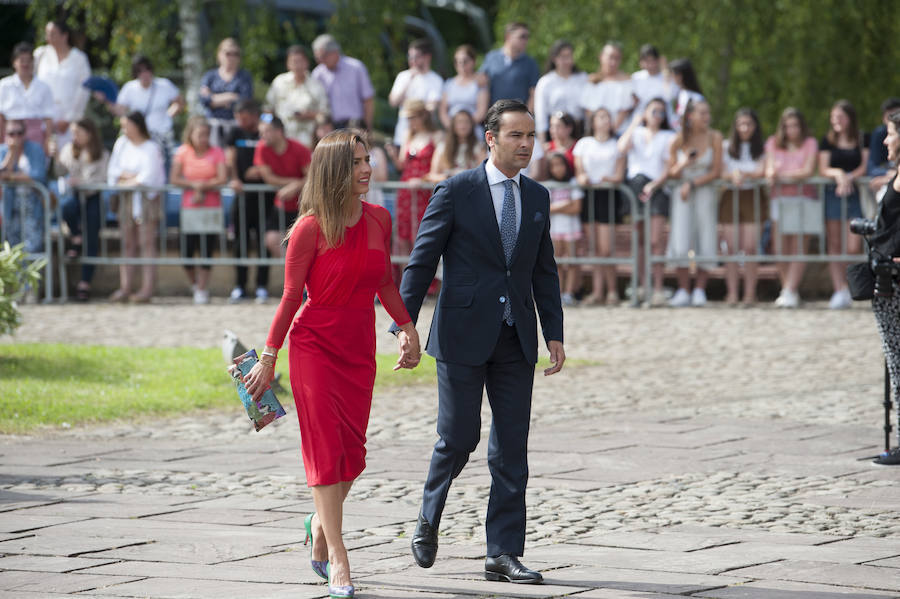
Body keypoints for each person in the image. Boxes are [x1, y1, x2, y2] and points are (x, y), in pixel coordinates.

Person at [239, 129, 420, 597]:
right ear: (334, 170)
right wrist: (268, 357)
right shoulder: (308, 228)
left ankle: (319, 522)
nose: (366, 169)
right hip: (314, 346)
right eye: (357, 162)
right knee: (325, 451)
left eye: (367, 161)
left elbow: (385, 285)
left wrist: (406, 329)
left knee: (352, 454)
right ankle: (337, 555)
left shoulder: (379, 218)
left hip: (359, 347)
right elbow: (288, 298)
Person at [395, 99, 565, 584]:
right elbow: (422, 261)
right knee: (459, 437)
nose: (527, 145)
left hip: (516, 338)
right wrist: (404, 326)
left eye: (531, 136)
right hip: (461, 336)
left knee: (512, 448)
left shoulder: (537, 196)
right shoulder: (456, 190)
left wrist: (553, 332)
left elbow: (542, 270)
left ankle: (502, 552)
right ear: (490, 138)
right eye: (516, 135)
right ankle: (429, 519)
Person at [865, 110, 900, 465]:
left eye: (891, 134)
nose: (885, 140)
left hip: (896, 282)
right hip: (889, 277)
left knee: (899, 361)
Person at [617, 97, 676, 306]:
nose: (657, 116)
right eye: (654, 111)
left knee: (656, 241)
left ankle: (658, 288)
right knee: (639, 240)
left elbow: (669, 166)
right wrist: (635, 122)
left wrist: (655, 185)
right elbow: (621, 147)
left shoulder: (669, 136)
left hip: (657, 187)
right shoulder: (637, 133)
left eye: (661, 112)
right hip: (635, 185)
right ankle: (642, 286)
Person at [666, 99, 722, 307]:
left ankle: (700, 289)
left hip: (704, 191)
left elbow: (716, 171)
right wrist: (684, 163)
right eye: (702, 113)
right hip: (682, 193)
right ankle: (683, 288)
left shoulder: (715, 138)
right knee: (680, 239)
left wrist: (693, 182)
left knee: (706, 236)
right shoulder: (678, 140)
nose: (706, 118)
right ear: (690, 116)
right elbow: (670, 173)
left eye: (708, 113)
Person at [106, 111, 165, 303]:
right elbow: (113, 171)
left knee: (146, 243)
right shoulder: (121, 144)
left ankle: (147, 287)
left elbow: (148, 176)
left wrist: (127, 177)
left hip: (146, 201)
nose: (123, 129)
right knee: (128, 244)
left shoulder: (150, 148)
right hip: (127, 200)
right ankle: (126, 286)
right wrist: (130, 177)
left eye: (126, 125)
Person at [766, 107, 820, 308]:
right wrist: (777, 173)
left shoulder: (810, 143)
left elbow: (807, 171)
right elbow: (769, 168)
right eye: (787, 126)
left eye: (795, 125)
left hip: (803, 198)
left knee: (798, 246)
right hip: (779, 200)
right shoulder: (773, 143)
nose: (791, 130)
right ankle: (788, 288)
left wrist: (781, 175)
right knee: (781, 247)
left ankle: (789, 289)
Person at [170, 116, 227, 304]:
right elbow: (175, 178)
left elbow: (222, 177)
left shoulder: (217, 152)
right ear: (191, 134)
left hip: (210, 208)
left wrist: (202, 186)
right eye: (200, 134)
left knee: (206, 249)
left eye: (206, 135)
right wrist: (194, 185)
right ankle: (195, 283)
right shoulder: (183, 151)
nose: (204, 138)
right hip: (189, 208)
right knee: (186, 251)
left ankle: (202, 288)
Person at [574, 108, 627, 304]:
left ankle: (612, 290)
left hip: (608, 195)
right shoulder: (584, 143)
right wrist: (583, 177)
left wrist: (610, 178)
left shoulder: (616, 145)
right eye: (601, 117)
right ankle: (597, 291)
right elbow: (579, 170)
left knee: (606, 248)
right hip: (589, 194)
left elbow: (619, 175)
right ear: (593, 121)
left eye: (608, 117)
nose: (605, 121)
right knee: (594, 247)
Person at [819, 99, 868, 309]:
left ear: (850, 118)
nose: (836, 121)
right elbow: (823, 168)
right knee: (834, 243)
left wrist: (849, 177)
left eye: (840, 116)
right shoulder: (827, 140)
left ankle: (850, 285)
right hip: (833, 193)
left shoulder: (861, 138)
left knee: (853, 244)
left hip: (854, 193)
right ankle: (838, 289)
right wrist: (839, 174)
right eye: (833, 117)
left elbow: (864, 166)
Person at [103, 55, 184, 176]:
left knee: (163, 172)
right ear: (136, 73)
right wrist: (106, 100)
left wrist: (168, 115)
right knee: (140, 171)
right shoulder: (130, 88)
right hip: (140, 138)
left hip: (161, 137)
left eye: (147, 70)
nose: (144, 74)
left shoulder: (164, 85)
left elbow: (179, 102)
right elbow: (120, 111)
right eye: (140, 71)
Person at [253, 115, 312, 279]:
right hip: (282, 205)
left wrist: (295, 186)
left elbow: (311, 177)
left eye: (265, 132)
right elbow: (268, 178)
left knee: (304, 245)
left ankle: (304, 279)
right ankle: (299, 278)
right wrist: (294, 183)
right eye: (261, 132)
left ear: (279, 132)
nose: (262, 136)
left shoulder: (299, 149)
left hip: (304, 205)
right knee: (271, 239)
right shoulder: (262, 148)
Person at [57, 118, 109, 301]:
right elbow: (58, 172)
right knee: (66, 208)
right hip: (74, 197)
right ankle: (76, 236)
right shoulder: (68, 151)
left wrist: (83, 183)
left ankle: (85, 282)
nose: (74, 137)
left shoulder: (101, 154)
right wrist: (54, 156)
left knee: (92, 238)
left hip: (92, 197)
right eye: (73, 133)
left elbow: (102, 180)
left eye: (78, 132)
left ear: (89, 133)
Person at [385, 99, 440, 272]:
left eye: (413, 117)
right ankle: (404, 277)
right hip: (406, 190)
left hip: (424, 191)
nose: (410, 122)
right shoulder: (408, 135)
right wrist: (393, 156)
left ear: (423, 116)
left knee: (422, 233)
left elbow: (438, 167)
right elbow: (402, 165)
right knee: (403, 233)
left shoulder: (436, 136)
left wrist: (423, 180)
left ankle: (425, 279)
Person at [720, 108, 767, 306]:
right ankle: (732, 292)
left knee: (749, 247)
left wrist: (745, 175)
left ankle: (749, 292)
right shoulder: (726, 147)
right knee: (730, 247)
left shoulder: (762, 149)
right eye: (741, 124)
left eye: (749, 124)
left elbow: (763, 170)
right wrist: (733, 175)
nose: (745, 128)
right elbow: (721, 171)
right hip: (731, 195)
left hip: (753, 196)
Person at [227, 99, 271, 304]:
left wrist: (262, 169)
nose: (241, 122)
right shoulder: (235, 133)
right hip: (243, 195)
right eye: (238, 118)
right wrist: (234, 178)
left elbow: (275, 153)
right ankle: (240, 286)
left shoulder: (266, 131)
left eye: (244, 118)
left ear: (255, 115)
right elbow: (230, 159)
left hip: (265, 196)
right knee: (240, 242)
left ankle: (262, 286)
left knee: (265, 242)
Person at [33, 20, 92, 150]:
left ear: (64, 35)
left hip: (69, 123)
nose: (48, 37)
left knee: (68, 159)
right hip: (42, 119)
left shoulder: (79, 58)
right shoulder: (40, 54)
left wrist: (69, 118)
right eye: (47, 33)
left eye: (52, 33)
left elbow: (84, 90)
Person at [266, 45, 330, 148]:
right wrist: (268, 129)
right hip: (281, 139)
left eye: (300, 61)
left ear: (307, 63)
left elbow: (325, 114)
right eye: (293, 61)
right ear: (287, 64)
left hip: (308, 140)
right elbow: (267, 110)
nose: (297, 65)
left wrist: (309, 115)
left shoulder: (316, 85)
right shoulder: (279, 82)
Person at [0, 119, 48, 254]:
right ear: (5, 134)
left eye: (19, 133)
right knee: (13, 249)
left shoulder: (35, 149)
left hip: (33, 205)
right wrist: (11, 153)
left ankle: (28, 276)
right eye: (11, 133)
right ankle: (17, 276)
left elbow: (38, 175)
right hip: (11, 206)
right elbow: (1, 174)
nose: (15, 137)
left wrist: (11, 177)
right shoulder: (3, 150)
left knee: (32, 248)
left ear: (25, 133)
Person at [198, 38, 254, 148]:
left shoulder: (244, 76)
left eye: (235, 54)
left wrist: (215, 99)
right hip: (213, 126)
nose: (232, 57)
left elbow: (245, 101)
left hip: (237, 125)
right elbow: (204, 100)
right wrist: (231, 96)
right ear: (219, 54)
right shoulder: (210, 76)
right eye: (228, 53)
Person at [311, 34, 375, 130]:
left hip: (354, 125)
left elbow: (368, 100)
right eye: (317, 58)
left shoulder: (356, 68)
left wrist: (367, 126)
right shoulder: (318, 73)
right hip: (330, 127)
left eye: (323, 56)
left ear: (335, 52)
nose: (320, 61)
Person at [388, 39, 443, 147]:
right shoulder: (403, 76)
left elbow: (432, 106)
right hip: (402, 136)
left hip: (425, 139)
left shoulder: (436, 80)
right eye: (410, 57)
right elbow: (393, 102)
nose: (412, 60)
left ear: (427, 57)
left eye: (416, 57)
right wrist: (408, 81)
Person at [0, 43, 55, 150]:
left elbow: (48, 118)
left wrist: (48, 140)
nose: (25, 64)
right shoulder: (4, 85)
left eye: (28, 60)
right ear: (14, 63)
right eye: (21, 60)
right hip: (11, 134)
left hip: (36, 135)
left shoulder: (44, 87)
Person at [546, 152, 583, 306]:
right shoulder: (548, 185)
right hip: (555, 229)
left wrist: (556, 207)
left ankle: (569, 292)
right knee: (557, 263)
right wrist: (565, 205)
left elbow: (576, 207)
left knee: (572, 261)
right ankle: (558, 292)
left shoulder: (573, 182)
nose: (557, 169)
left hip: (571, 228)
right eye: (553, 166)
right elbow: (547, 208)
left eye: (560, 165)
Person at [534, 40, 587, 143]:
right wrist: (543, 141)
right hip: (555, 132)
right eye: (563, 57)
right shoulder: (546, 82)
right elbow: (541, 114)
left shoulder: (582, 78)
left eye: (569, 56)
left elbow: (588, 110)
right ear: (554, 58)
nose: (567, 61)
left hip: (579, 131)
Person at [478, 22, 540, 109]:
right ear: (508, 36)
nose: (526, 41)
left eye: (527, 37)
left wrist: (527, 116)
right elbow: (480, 82)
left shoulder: (530, 63)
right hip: (494, 116)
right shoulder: (491, 57)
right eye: (522, 36)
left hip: (518, 116)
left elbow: (534, 93)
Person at [580, 42, 636, 136]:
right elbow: (588, 110)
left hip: (619, 133)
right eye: (610, 57)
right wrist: (598, 129)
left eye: (617, 58)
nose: (613, 62)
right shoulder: (592, 80)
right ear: (601, 57)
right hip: (596, 134)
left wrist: (611, 131)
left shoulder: (626, 81)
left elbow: (625, 110)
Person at [438, 45, 488, 131]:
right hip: (452, 130)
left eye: (465, 61)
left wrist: (465, 127)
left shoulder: (480, 82)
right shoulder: (449, 84)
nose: (462, 65)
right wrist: (452, 127)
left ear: (473, 61)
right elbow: (443, 111)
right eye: (458, 62)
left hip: (473, 129)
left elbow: (481, 111)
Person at [427, 109, 485, 182]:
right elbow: (433, 175)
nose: (463, 126)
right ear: (453, 125)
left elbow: (483, 174)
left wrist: (466, 176)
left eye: (466, 122)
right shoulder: (443, 147)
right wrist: (449, 177)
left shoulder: (478, 147)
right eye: (459, 122)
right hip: (449, 189)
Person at [631, 44, 675, 123]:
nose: (650, 65)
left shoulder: (667, 77)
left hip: (663, 121)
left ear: (658, 60)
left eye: (652, 61)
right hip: (641, 121)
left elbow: (669, 96)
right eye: (646, 61)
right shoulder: (636, 77)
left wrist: (665, 70)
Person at [867, 98, 900, 200]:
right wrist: (888, 175)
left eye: (890, 134)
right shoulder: (879, 133)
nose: (885, 141)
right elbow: (871, 167)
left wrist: (890, 178)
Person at [668, 58, 704, 131]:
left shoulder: (696, 98)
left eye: (673, 74)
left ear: (681, 76)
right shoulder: (680, 93)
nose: (671, 77)